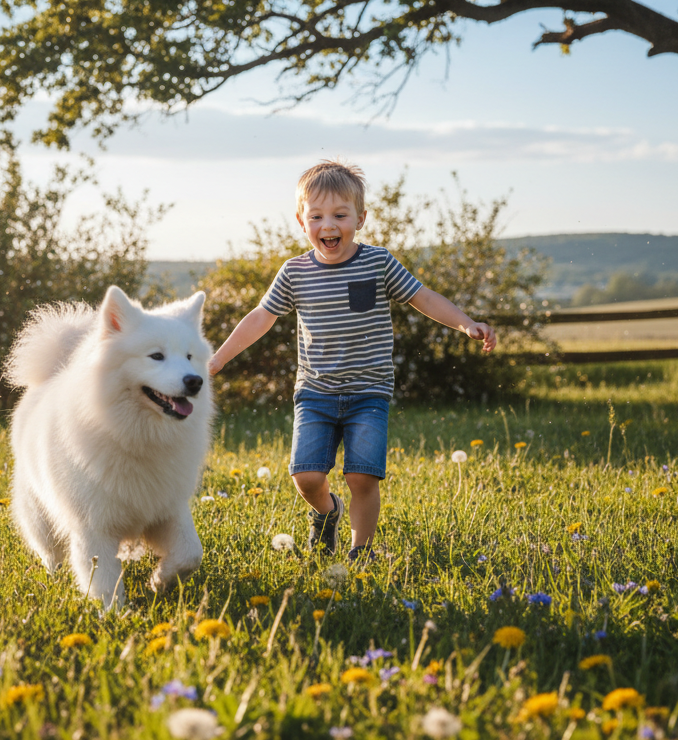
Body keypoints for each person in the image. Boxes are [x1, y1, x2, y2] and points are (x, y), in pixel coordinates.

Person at [207, 160, 497, 560]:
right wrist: (217, 359)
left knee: (362, 476)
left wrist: (465, 323)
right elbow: (262, 317)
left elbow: (422, 296)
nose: (329, 225)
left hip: (368, 392)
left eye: (340, 215)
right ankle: (327, 513)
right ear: (301, 221)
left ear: (360, 218)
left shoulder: (378, 262)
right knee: (306, 477)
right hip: (315, 393)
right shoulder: (294, 273)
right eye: (317, 216)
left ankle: (361, 552)